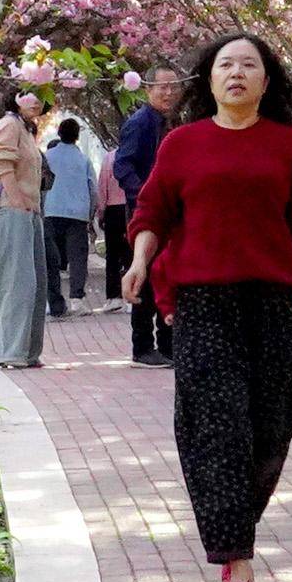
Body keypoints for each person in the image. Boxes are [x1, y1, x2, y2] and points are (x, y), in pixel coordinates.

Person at [128, 31, 292, 582]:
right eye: (225, 64)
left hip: (274, 301)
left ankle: (233, 522)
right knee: (216, 424)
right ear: (209, 79)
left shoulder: (287, 145)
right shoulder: (182, 144)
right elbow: (153, 212)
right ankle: (239, 561)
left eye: (249, 65)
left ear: (268, 81)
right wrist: (140, 260)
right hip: (203, 300)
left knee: (272, 421)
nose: (236, 73)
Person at [105, 53, 185, 364]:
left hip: (172, 214)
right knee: (145, 278)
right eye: (161, 87)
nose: (168, 93)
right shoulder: (139, 123)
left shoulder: (172, 123)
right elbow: (122, 166)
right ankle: (142, 347)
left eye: (173, 87)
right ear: (147, 89)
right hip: (145, 213)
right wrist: (146, 197)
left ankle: (168, 345)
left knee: (168, 276)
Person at [0, 88, 51, 372]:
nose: (36, 100)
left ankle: (27, 351)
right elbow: (1, 164)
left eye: (41, 95)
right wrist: (17, 200)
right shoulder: (8, 124)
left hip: (30, 211)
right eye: (29, 93)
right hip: (12, 210)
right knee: (17, 282)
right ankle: (10, 351)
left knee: (36, 282)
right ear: (15, 97)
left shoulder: (26, 129)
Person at [39, 105, 101, 310]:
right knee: (77, 257)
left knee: (51, 259)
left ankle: (53, 301)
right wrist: (90, 213)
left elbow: (39, 184)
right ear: (76, 137)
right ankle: (77, 299)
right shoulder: (83, 160)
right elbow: (93, 189)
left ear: (59, 133)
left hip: (51, 211)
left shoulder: (47, 157)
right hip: (77, 214)